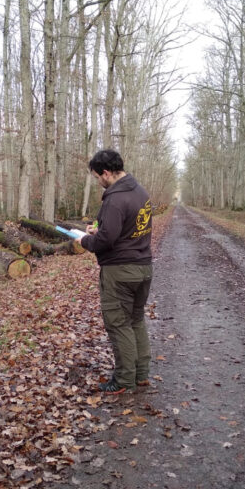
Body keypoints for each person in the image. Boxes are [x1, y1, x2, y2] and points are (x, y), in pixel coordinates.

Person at [78, 149, 153, 395]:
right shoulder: (140, 192)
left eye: (97, 177)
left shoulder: (114, 198)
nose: (98, 181)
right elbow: (122, 227)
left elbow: (106, 241)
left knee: (119, 324)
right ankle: (141, 374)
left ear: (107, 173)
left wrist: (84, 241)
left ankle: (123, 380)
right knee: (136, 320)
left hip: (120, 272)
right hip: (143, 268)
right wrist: (97, 228)